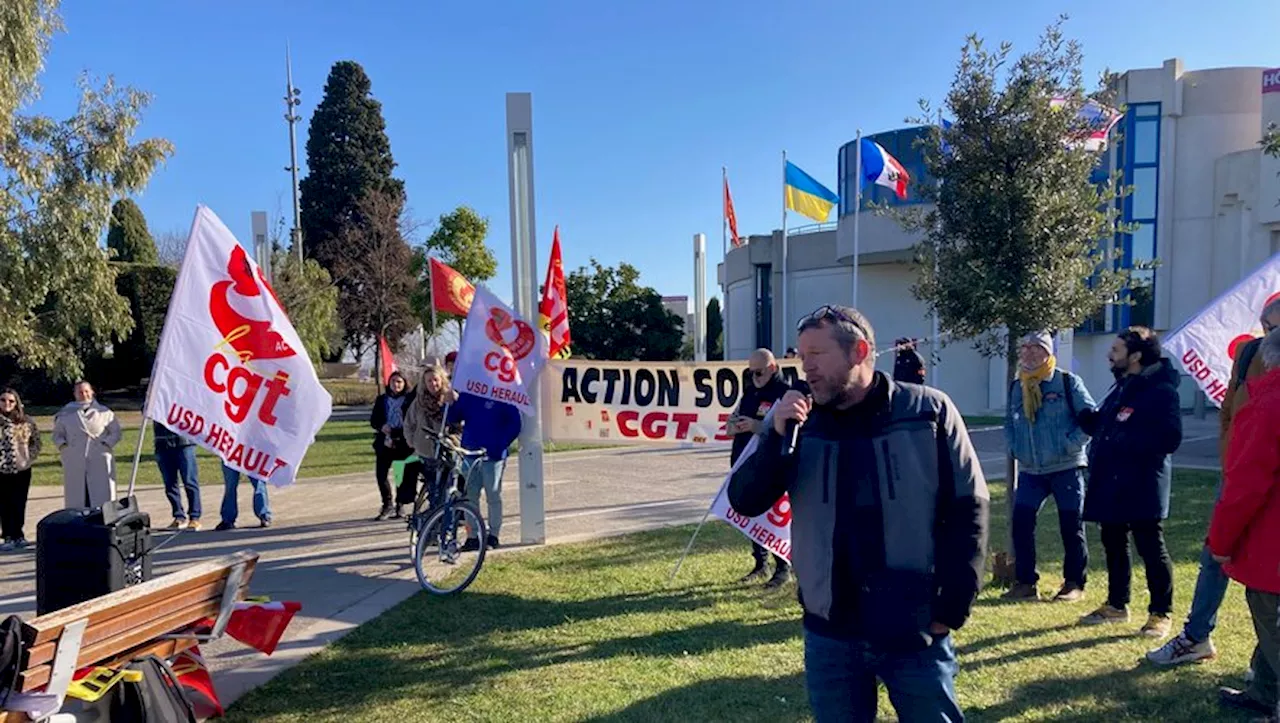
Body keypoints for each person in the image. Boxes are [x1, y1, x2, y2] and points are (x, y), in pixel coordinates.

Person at [729, 304, 989, 723]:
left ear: (859, 351)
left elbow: (969, 509)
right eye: (800, 354)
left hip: (914, 623)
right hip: (830, 628)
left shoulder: (928, 412)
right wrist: (774, 439)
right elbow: (746, 500)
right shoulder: (798, 423)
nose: (805, 367)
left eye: (817, 354)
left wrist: (952, 608)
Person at [1148, 297, 1280, 666]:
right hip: (1241, 475)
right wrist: (1231, 462)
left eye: (1273, 328)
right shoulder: (1250, 356)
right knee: (1219, 559)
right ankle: (1198, 636)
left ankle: (1264, 677)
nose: (1266, 335)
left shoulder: (1271, 398)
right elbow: (1229, 413)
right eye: (1265, 326)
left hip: (1259, 487)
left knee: (1267, 592)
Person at [1077, 327, 1181, 638]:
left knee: (1150, 547)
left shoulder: (1161, 390)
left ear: (1135, 356)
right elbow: (1107, 424)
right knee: (1113, 543)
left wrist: (1126, 441)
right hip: (1112, 483)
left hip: (1142, 484)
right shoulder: (1123, 386)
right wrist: (1087, 419)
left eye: (1116, 350)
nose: (1110, 355)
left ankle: (1160, 613)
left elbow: (1170, 438)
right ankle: (1116, 605)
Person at [1207, 327, 1280, 717]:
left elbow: (1245, 485)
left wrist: (1221, 542)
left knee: (1272, 620)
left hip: (1272, 546)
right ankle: (1264, 694)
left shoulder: (1267, 404)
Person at [1002, 332, 1094, 602]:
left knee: (1071, 524)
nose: (1029, 353)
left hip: (1066, 466)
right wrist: (1014, 448)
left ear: (1048, 352)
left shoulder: (1066, 382)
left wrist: (1070, 444)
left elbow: (1090, 420)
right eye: (1025, 347)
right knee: (1021, 522)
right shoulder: (1016, 387)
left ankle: (1074, 583)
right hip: (1032, 470)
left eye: (1036, 348)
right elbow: (1009, 422)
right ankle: (1026, 583)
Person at [729, 348, 795, 588]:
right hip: (745, 463)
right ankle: (760, 564)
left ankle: (783, 567)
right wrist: (735, 425)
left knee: (774, 517)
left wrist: (758, 427)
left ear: (773, 368)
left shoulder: (786, 395)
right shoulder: (749, 391)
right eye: (751, 372)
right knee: (751, 513)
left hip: (770, 465)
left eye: (759, 372)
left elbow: (790, 431)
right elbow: (731, 423)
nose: (754, 377)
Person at [447, 392, 522, 550]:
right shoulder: (469, 394)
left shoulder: (502, 395)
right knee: (470, 497)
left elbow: (515, 424)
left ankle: (493, 535)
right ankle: (472, 536)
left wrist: (499, 444)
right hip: (470, 452)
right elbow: (452, 417)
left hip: (493, 455)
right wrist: (450, 402)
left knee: (493, 495)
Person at [52, 381, 122, 508]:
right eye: (80, 392)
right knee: (77, 492)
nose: (84, 394)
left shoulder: (104, 412)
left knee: (101, 491)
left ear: (92, 392)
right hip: (75, 457)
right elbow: (57, 434)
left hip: (99, 455)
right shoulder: (65, 413)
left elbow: (116, 432)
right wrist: (64, 447)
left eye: (86, 391)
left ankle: (103, 516)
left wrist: (106, 444)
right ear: (74, 394)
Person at [401, 365, 460, 516]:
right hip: (426, 450)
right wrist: (412, 441)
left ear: (442, 380)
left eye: (435, 380)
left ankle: (447, 518)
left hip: (448, 449)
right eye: (429, 381)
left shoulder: (450, 399)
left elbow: (460, 424)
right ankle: (432, 526)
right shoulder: (419, 402)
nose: (433, 384)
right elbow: (409, 423)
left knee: (449, 489)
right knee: (435, 490)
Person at [0, 388, 40, 551]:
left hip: (21, 468)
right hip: (2, 469)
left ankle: (18, 534)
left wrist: (29, 457)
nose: (7, 404)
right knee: (4, 503)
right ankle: (8, 535)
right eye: (3, 400)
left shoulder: (26, 421)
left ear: (16, 403)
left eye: (11, 401)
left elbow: (36, 442)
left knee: (19, 502)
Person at [371, 371, 414, 521]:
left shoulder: (409, 400)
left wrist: (398, 431)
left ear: (404, 384)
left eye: (399, 382)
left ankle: (400, 504)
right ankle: (387, 504)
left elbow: (412, 421)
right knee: (381, 474)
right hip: (384, 442)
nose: (396, 385)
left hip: (402, 442)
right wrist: (382, 426)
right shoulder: (382, 399)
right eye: (393, 381)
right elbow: (374, 420)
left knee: (399, 474)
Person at [153, 421, 202, 530]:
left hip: (184, 442)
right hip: (162, 443)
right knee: (170, 483)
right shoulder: (154, 402)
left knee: (189, 481)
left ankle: (194, 517)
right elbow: (146, 411)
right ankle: (179, 516)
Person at [215, 464, 272, 530]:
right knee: (230, 486)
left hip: (252, 455)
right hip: (232, 456)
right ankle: (228, 519)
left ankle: (264, 515)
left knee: (259, 484)